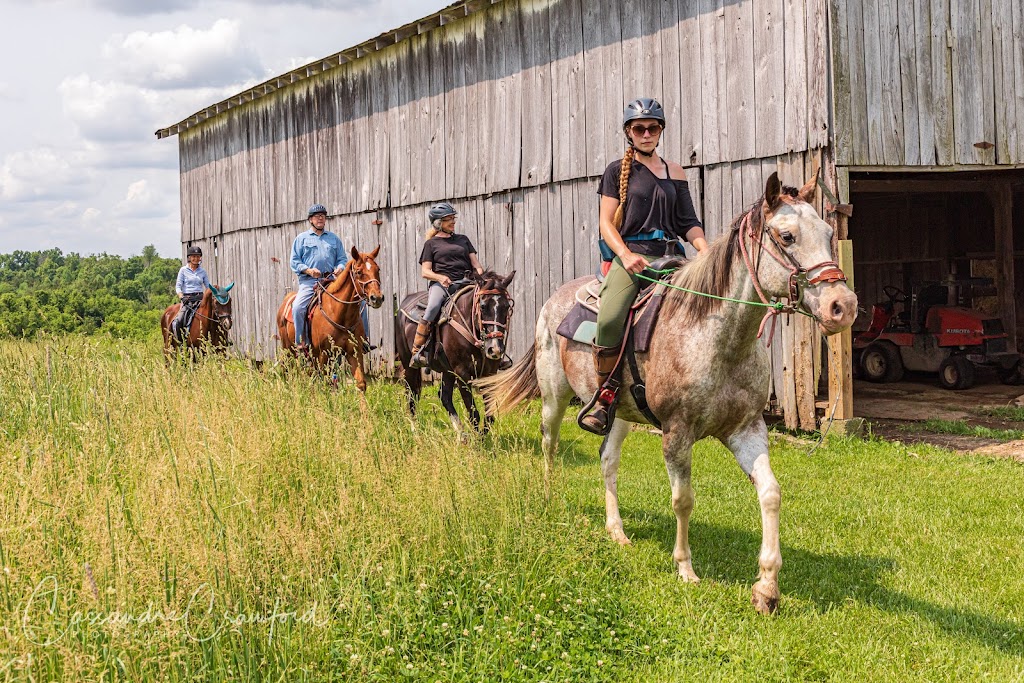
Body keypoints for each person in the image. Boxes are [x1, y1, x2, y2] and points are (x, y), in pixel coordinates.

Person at [578, 97, 709, 435]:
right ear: (629, 133)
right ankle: (606, 395)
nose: (647, 133)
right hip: (632, 255)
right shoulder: (614, 171)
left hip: (672, 256)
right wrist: (623, 254)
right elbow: (606, 223)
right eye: (640, 128)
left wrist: (704, 249)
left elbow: (688, 221)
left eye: (653, 127)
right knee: (609, 317)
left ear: (660, 131)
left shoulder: (674, 171)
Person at [409, 202, 485, 368]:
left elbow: (476, 264)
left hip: (467, 282)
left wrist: (480, 275)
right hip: (443, 285)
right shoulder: (431, 244)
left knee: (487, 304)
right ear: (438, 223)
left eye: (453, 218)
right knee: (433, 306)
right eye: (448, 219)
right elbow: (425, 272)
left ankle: (493, 350)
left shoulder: (463, 240)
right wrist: (439, 277)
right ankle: (418, 350)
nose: (453, 222)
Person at [289, 204, 367, 352]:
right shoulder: (301, 239)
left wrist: (340, 268)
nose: (320, 218)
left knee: (360, 302)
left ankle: (363, 341)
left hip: (332, 281)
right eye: (316, 216)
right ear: (311, 220)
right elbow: (294, 261)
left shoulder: (333, 239)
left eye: (322, 216)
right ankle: (301, 342)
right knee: (298, 307)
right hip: (310, 282)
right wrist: (309, 270)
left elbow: (342, 259)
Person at [171, 245, 210, 341]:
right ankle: (180, 342)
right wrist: (181, 297)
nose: (196, 259)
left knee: (215, 316)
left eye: (198, 256)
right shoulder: (183, 270)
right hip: (187, 299)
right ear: (189, 257)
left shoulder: (202, 271)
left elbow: (208, 287)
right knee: (179, 320)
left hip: (200, 298)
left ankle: (221, 340)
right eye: (194, 256)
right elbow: (178, 286)